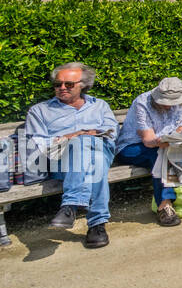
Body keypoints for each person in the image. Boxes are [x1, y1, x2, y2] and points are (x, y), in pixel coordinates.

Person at [23, 63, 117, 248]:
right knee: (92, 159)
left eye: (68, 84)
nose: (62, 88)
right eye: (58, 84)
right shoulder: (39, 111)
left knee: (89, 148)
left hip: (100, 151)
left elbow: (112, 133)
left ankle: (70, 206)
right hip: (60, 161)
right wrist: (68, 137)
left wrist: (89, 135)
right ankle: (97, 225)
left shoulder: (99, 105)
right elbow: (37, 144)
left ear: (83, 84)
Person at [114, 77, 182, 226]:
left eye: (173, 103)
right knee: (161, 156)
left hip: (166, 143)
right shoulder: (142, 103)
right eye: (165, 103)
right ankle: (164, 205)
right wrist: (163, 143)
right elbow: (148, 140)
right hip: (132, 147)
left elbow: (180, 129)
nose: (169, 107)